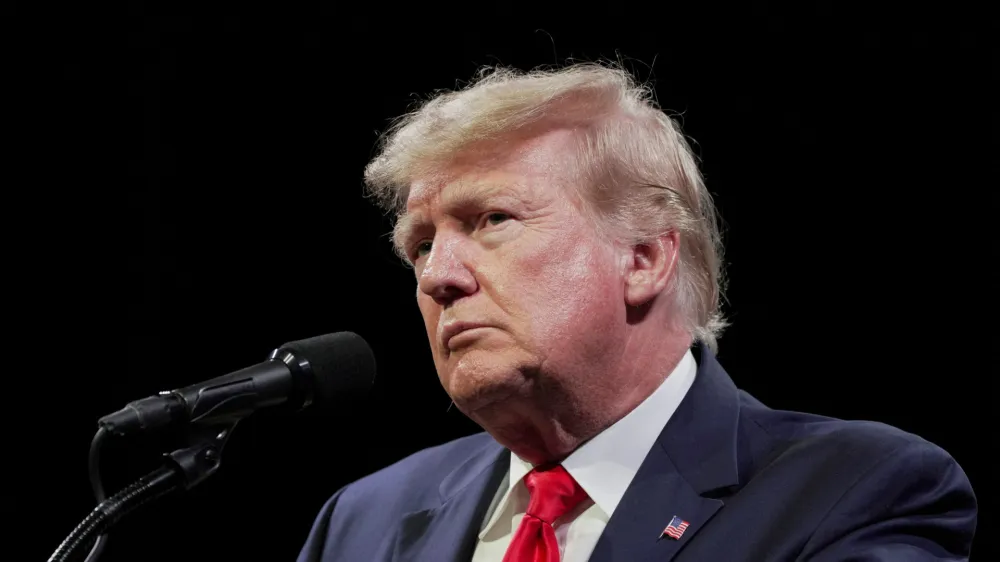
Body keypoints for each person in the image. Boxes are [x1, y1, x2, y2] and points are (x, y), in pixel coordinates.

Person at [297, 63, 977, 561]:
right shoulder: (361, 521)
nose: (438, 276)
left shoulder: (852, 491)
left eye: (493, 219)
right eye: (420, 246)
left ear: (645, 258)